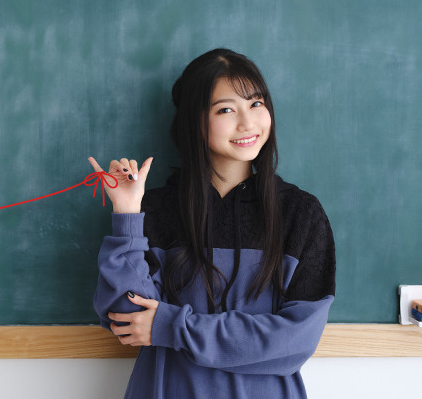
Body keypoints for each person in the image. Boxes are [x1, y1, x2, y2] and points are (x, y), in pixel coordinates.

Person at [87, 48, 335, 399]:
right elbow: (127, 319)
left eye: (256, 104)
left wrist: (174, 327)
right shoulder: (157, 209)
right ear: (194, 120)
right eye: (225, 109)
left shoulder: (301, 214)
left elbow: (294, 339)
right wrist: (127, 214)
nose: (248, 123)